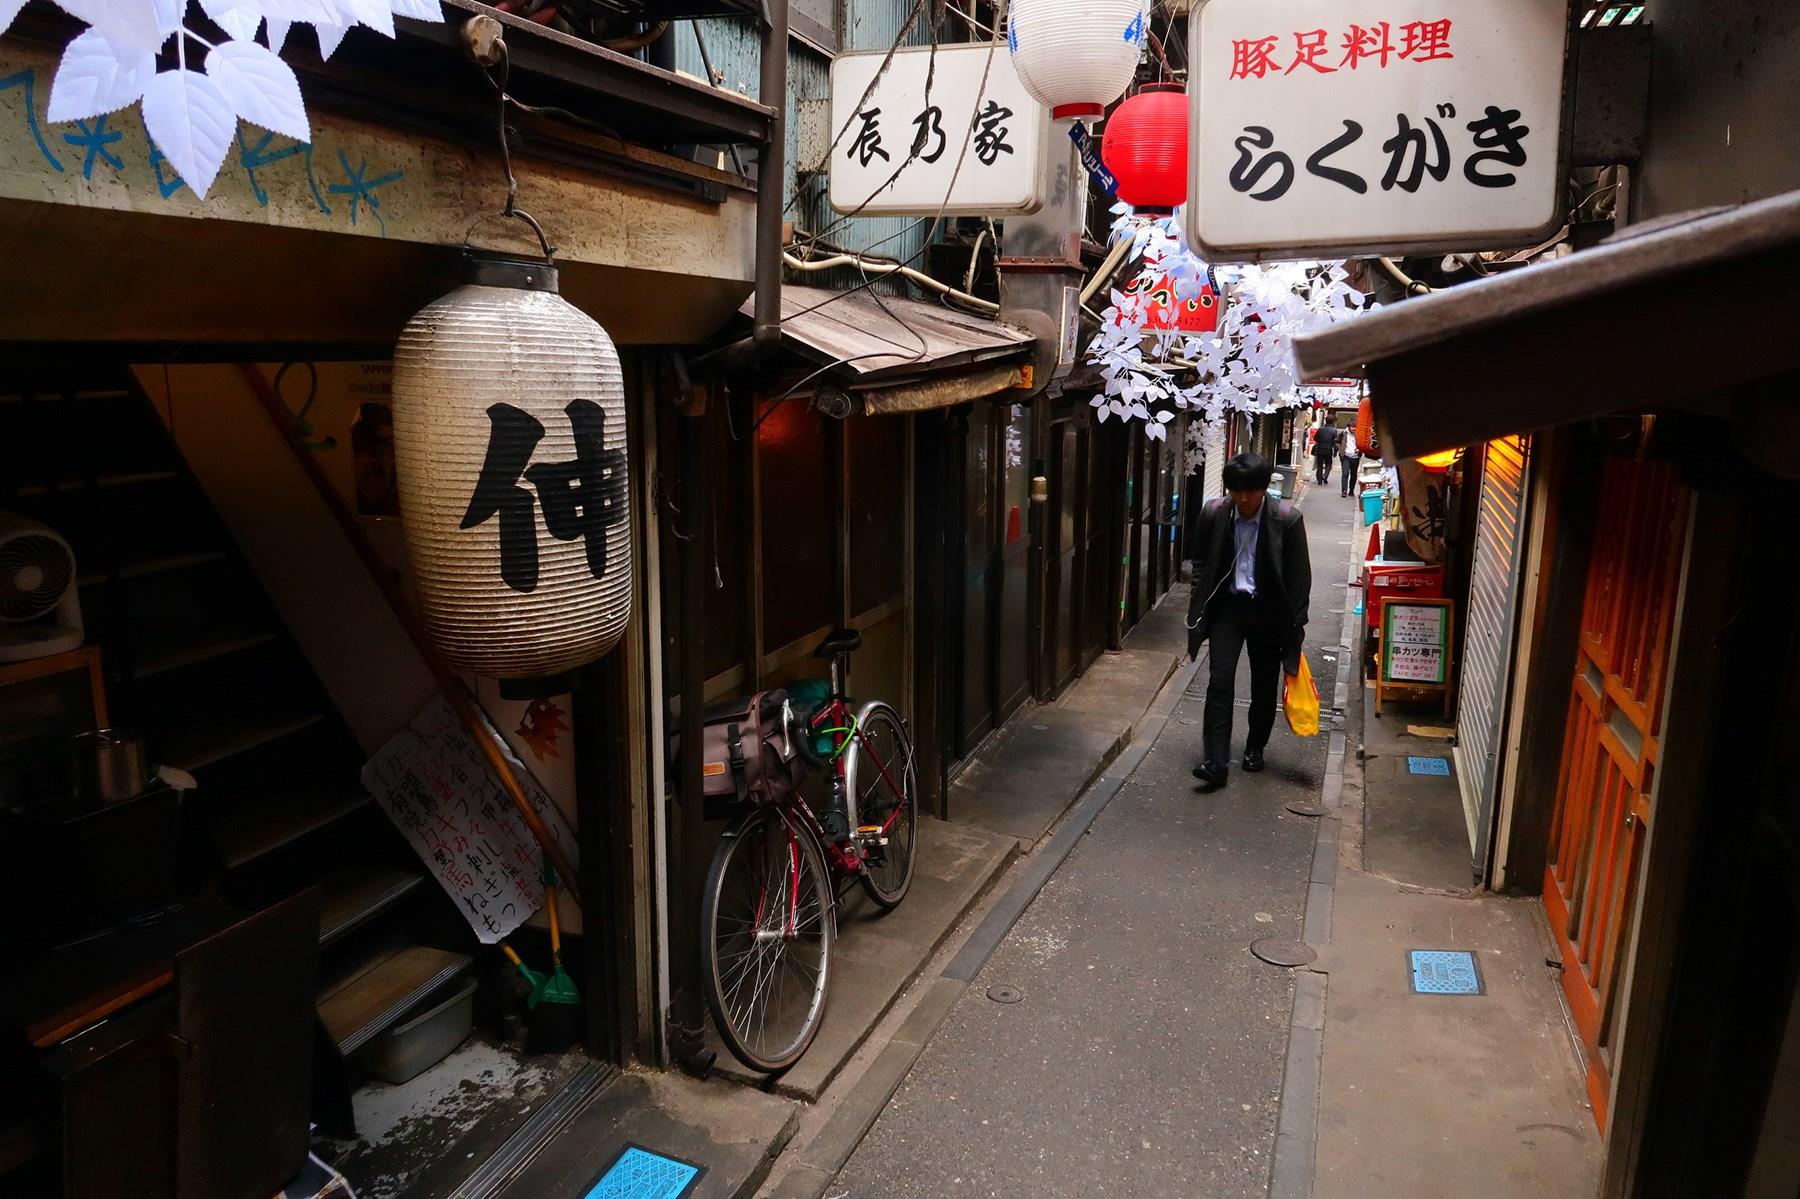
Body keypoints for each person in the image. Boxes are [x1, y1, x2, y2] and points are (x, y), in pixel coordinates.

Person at [1185, 452, 1312, 790]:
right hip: (1228, 609)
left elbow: (1300, 579)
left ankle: (1255, 747)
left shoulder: (1287, 519)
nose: (1243, 499)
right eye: (1236, 491)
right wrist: (1198, 607)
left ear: (1263, 489)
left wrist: (1295, 627)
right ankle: (1215, 761)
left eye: (1251, 491)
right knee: (1219, 679)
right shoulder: (1214, 514)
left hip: (1268, 611)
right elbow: (1199, 562)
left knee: (1263, 684)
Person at [1311, 416, 1341, 486]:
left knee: (1319, 465)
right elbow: (1335, 442)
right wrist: (1335, 451)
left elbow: (1315, 438)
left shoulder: (1320, 429)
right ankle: (1325, 476)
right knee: (1329, 464)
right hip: (1328, 449)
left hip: (1320, 449)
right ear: (1333, 421)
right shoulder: (1334, 430)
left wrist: (1320, 442)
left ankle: (1319, 480)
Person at [1339, 426, 1361, 498]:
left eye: (1355, 427)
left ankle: (1351, 490)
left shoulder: (1359, 434)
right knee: (1345, 473)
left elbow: (1362, 444)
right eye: (1352, 427)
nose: (1354, 428)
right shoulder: (1344, 433)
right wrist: (1341, 449)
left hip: (1355, 457)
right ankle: (1344, 491)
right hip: (1346, 456)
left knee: (1353, 474)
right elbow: (1337, 441)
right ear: (1348, 427)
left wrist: (1359, 450)